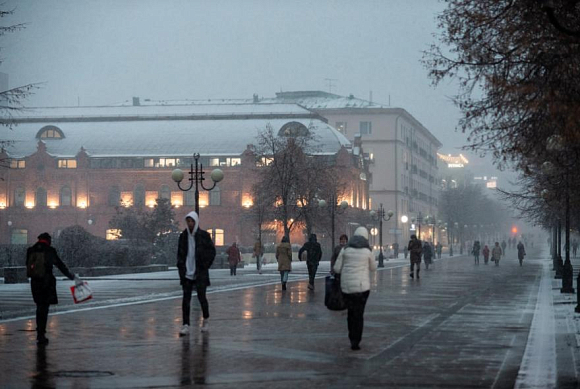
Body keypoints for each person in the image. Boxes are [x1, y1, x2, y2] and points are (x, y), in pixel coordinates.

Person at [27, 232, 79, 345]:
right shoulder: (50, 250)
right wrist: (70, 276)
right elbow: (60, 265)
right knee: (44, 308)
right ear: (48, 240)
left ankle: (39, 333)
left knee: (39, 307)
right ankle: (41, 334)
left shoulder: (31, 250)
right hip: (46, 282)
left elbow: (28, 265)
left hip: (35, 282)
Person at [333, 227, 376, 351]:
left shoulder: (345, 250)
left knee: (351, 313)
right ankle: (357, 340)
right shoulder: (368, 251)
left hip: (347, 288)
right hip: (363, 288)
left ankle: (352, 337)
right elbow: (373, 268)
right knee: (359, 313)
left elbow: (337, 268)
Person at [177, 211, 216, 336]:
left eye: (192, 221)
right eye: (188, 221)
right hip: (187, 272)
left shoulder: (203, 236)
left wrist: (205, 265)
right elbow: (180, 254)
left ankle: (206, 319)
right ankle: (186, 324)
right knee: (186, 300)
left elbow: (211, 252)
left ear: (196, 222)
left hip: (199, 272)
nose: (190, 224)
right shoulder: (183, 237)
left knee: (202, 297)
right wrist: (181, 268)